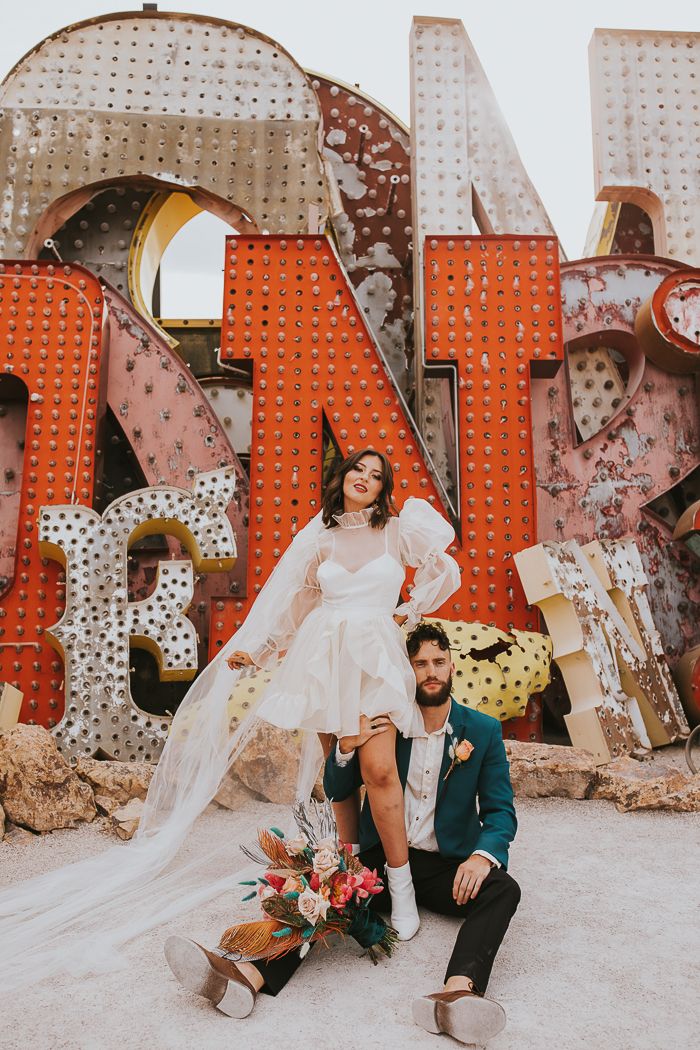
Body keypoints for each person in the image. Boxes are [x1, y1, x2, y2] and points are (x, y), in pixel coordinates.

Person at [164, 622, 520, 1048]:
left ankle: (457, 992)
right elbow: (337, 788)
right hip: (384, 860)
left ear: (451, 667)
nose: (430, 671)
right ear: (406, 673)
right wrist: (347, 749)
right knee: (322, 886)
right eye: (420, 663)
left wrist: (482, 856)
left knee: (504, 889)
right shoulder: (387, 723)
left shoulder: (481, 731)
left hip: (448, 867)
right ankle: (245, 976)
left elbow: (500, 811)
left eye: (438, 662)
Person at [225, 448, 460, 937]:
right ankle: (350, 882)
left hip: (374, 659)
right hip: (325, 659)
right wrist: (263, 651)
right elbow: (298, 602)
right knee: (340, 775)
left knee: (378, 768)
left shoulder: (397, 530)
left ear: (382, 488)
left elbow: (444, 570)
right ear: (344, 476)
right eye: (359, 469)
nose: (365, 478)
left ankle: (402, 888)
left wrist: (409, 611)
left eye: (376, 476)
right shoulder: (320, 538)